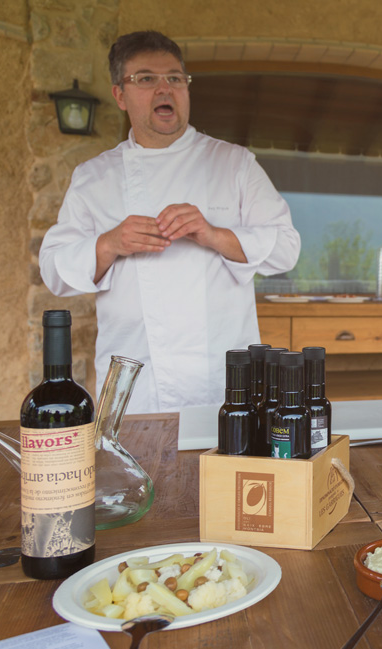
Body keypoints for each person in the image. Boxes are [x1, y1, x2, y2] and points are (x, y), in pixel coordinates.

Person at [39, 31, 301, 414]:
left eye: (175, 78)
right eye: (146, 79)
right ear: (120, 96)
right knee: (136, 472)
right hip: (137, 381)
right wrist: (110, 243)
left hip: (224, 382)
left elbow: (287, 249)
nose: (165, 89)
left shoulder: (233, 163)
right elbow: (54, 271)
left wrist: (214, 235)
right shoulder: (94, 177)